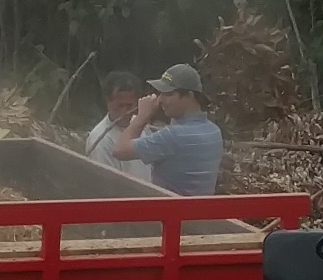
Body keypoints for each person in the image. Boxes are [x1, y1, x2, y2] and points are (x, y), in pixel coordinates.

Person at [81, 63, 225, 193]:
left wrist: (142, 117)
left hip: (168, 217)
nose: (160, 99)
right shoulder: (214, 131)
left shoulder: (172, 136)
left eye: (168, 94)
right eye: (160, 93)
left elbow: (119, 150)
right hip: (198, 217)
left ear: (189, 96)